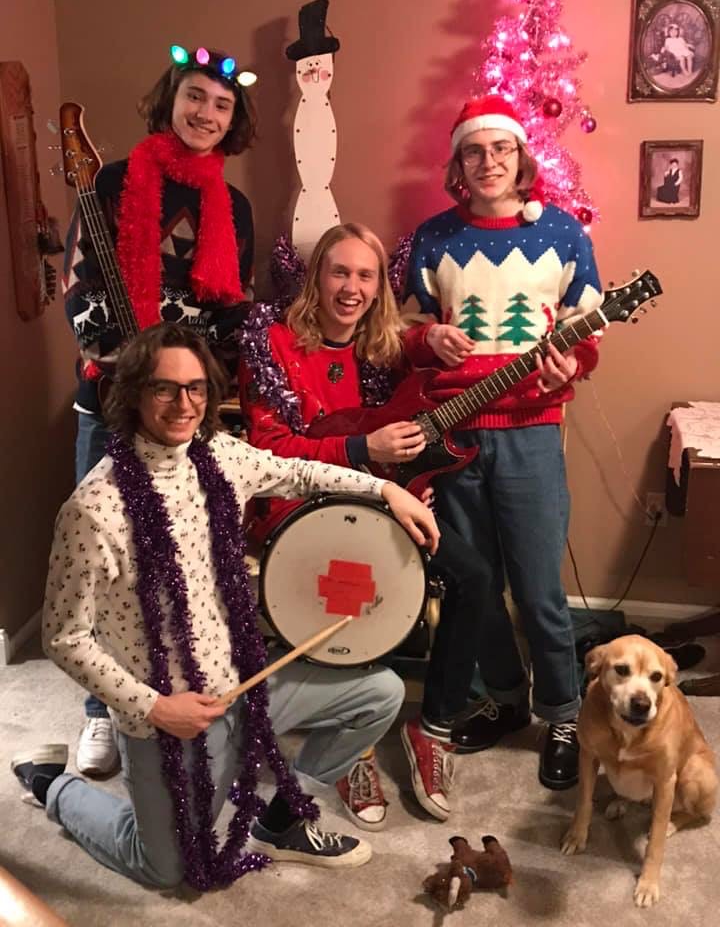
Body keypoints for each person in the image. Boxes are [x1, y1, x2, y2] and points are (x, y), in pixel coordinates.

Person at [10, 323, 438, 889]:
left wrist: (386, 490)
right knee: (164, 868)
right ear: (134, 393)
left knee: (379, 694)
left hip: (245, 684)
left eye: (195, 388)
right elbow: (65, 638)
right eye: (164, 388)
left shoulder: (219, 456)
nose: (183, 404)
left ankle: (281, 822)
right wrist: (156, 708)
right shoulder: (93, 509)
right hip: (169, 716)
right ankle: (50, 783)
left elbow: (298, 472)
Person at [239, 223, 491, 824]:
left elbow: (418, 344)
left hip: (385, 501)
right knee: (359, 584)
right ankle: (357, 742)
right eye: (339, 272)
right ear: (316, 277)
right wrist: (360, 448)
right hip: (298, 505)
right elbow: (269, 451)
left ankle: (432, 727)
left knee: (475, 577)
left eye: (365, 275)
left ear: (380, 287)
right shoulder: (274, 343)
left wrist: (435, 336)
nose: (351, 288)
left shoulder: (383, 345)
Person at [63, 45, 256, 776]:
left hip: (184, 412)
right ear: (170, 100)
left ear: (233, 120)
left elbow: (228, 310)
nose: (206, 113)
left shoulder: (233, 207)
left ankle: (168, 694)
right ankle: (100, 714)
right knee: (104, 563)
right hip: (110, 401)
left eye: (222, 104)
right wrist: (123, 355)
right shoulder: (113, 182)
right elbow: (78, 286)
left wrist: (197, 377)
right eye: (195, 96)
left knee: (177, 559)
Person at [403, 96, 603, 790]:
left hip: (530, 435)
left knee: (540, 589)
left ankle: (563, 714)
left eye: (501, 149)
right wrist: (428, 337)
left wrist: (572, 364)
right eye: (474, 151)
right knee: (477, 586)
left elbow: (587, 331)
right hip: (454, 435)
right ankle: (508, 698)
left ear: (521, 159)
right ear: (457, 163)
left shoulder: (565, 234)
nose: (488, 162)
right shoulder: (432, 238)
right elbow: (404, 331)